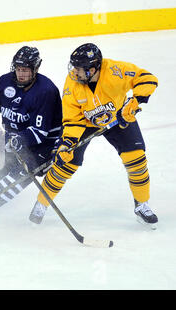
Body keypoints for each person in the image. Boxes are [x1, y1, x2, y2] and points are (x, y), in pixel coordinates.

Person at [29, 43, 159, 229]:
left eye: (79, 68)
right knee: (65, 161)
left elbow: (147, 78)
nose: (75, 72)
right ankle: (42, 203)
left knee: (136, 158)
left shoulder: (115, 70)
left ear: (94, 67)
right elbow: (72, 120)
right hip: (85, 124)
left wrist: (135, 101)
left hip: (119, 117)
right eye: (73, 66)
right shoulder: (72, 83)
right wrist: (67, 143)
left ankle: (142, 205)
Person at [0, 46, 62, 217]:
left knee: (16, 178)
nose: (20, 74)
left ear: (35, 69)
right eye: (18, 69)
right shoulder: (5, 82)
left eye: (25, 70)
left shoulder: (46, 91)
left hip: (42, 147)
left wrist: (18, 139)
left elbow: (40, 132)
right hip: (10, 139)